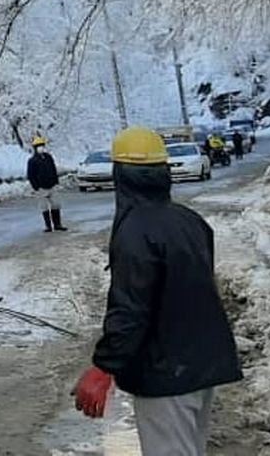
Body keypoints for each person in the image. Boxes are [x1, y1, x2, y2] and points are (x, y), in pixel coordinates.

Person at [73, 126, 242, 455]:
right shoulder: (189, 221)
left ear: (121, 175)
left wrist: (103, 367)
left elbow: (131, 308)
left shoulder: (135, 231)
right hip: (199, 365)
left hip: (166, 374)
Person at [27, 135, 67, 232]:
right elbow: (31, 175)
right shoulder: (32, 161)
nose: (40, 148)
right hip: (41, 188)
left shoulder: (48, 157)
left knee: (56, 205)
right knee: (44, 207)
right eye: (38, 146)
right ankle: (48, 226)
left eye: (42, 146)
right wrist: (36, 187)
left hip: (52, 185)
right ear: (35, 148)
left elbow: (53, 170)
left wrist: (56, 182)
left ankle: (57, 224)